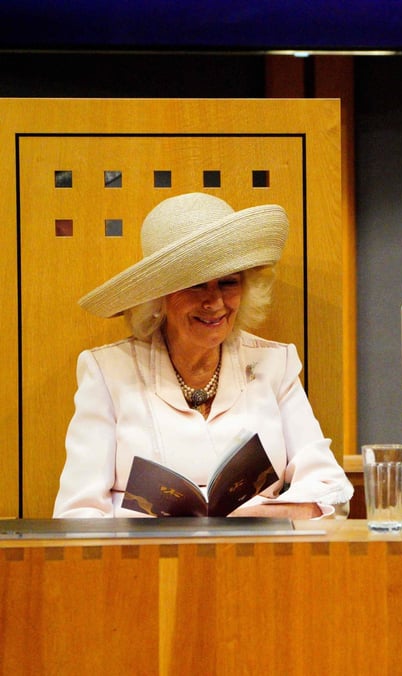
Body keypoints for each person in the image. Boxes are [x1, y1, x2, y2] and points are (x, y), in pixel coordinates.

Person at [53, 192, 353, 519]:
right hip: (145, 564)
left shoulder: (274, 365)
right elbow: (77, 512)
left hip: (257, 559)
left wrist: (272, 514)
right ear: (159, 296)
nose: (215, 303)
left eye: (228, 283)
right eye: (196, 285)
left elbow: (329, 486)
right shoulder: (109, 372)